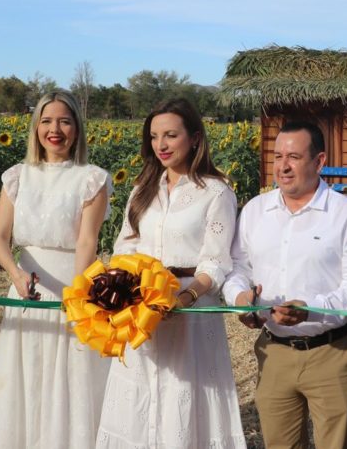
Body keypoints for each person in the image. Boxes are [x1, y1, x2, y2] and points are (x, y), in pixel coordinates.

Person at [96, 98, 247, 449]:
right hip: (139, 309)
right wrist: (118, 292)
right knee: (140, 394)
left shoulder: (216, 192)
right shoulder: (141, 190)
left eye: (171, 135)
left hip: (190, 309)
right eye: (154, 136)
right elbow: (125, 247)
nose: (161, 145)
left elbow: (217, 261)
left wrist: (184, 297)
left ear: (195, 138)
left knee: (184, 395)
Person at [224, 120, 347, 449]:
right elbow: (239, 267)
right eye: (278, 156)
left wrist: (310, 311)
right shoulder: (255, 211)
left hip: (332, 353)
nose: (282, 166)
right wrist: (241, 298)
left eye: (293, 157)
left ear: (319, 161)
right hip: (274, 352)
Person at [0, 90, 112, 449]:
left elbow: (87, 242)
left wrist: (78, 293)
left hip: (74, 288)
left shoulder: (92, 179)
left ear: (77, 129)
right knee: (27, 380)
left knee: (72, 382)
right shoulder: (17, 177)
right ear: (36, 126)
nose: (55, 129)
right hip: (26, 290)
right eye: (48, 120)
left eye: (65, 121)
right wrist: (15, 275)